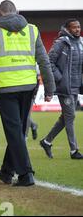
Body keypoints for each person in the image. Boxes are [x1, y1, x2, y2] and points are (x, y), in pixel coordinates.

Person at [0, 0, 55, 186]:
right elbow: (44, 61)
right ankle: (6, 171)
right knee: (18, 131)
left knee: (14, 132)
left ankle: (26, 174)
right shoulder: (32, 29)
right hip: (29, 88)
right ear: (17, 11)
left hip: (7, 89)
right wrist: (50, 88)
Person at [40, 19, 83, 160]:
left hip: (76, 86)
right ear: (67, 29)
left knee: (65, 118)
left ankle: (46, 141)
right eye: (74, 27)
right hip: (65, 87)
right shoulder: (61, 43)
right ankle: (74, 150)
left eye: (78, 27)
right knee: (70, 117)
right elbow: (49, 61)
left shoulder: (81, 42)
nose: (77, 29)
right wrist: (60, 78)